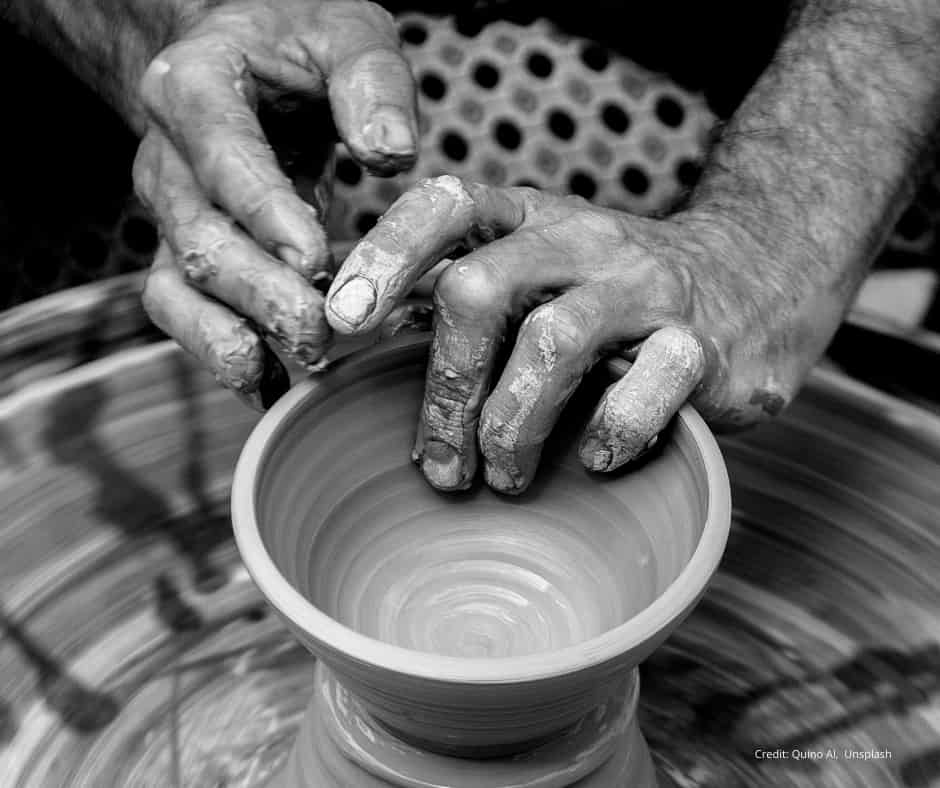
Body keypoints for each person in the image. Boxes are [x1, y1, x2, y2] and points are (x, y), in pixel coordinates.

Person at [3, 0, 938, 494]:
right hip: (207, 59)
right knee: (223, 283)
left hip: (742, 64)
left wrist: (760, 239)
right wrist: (173, 30)